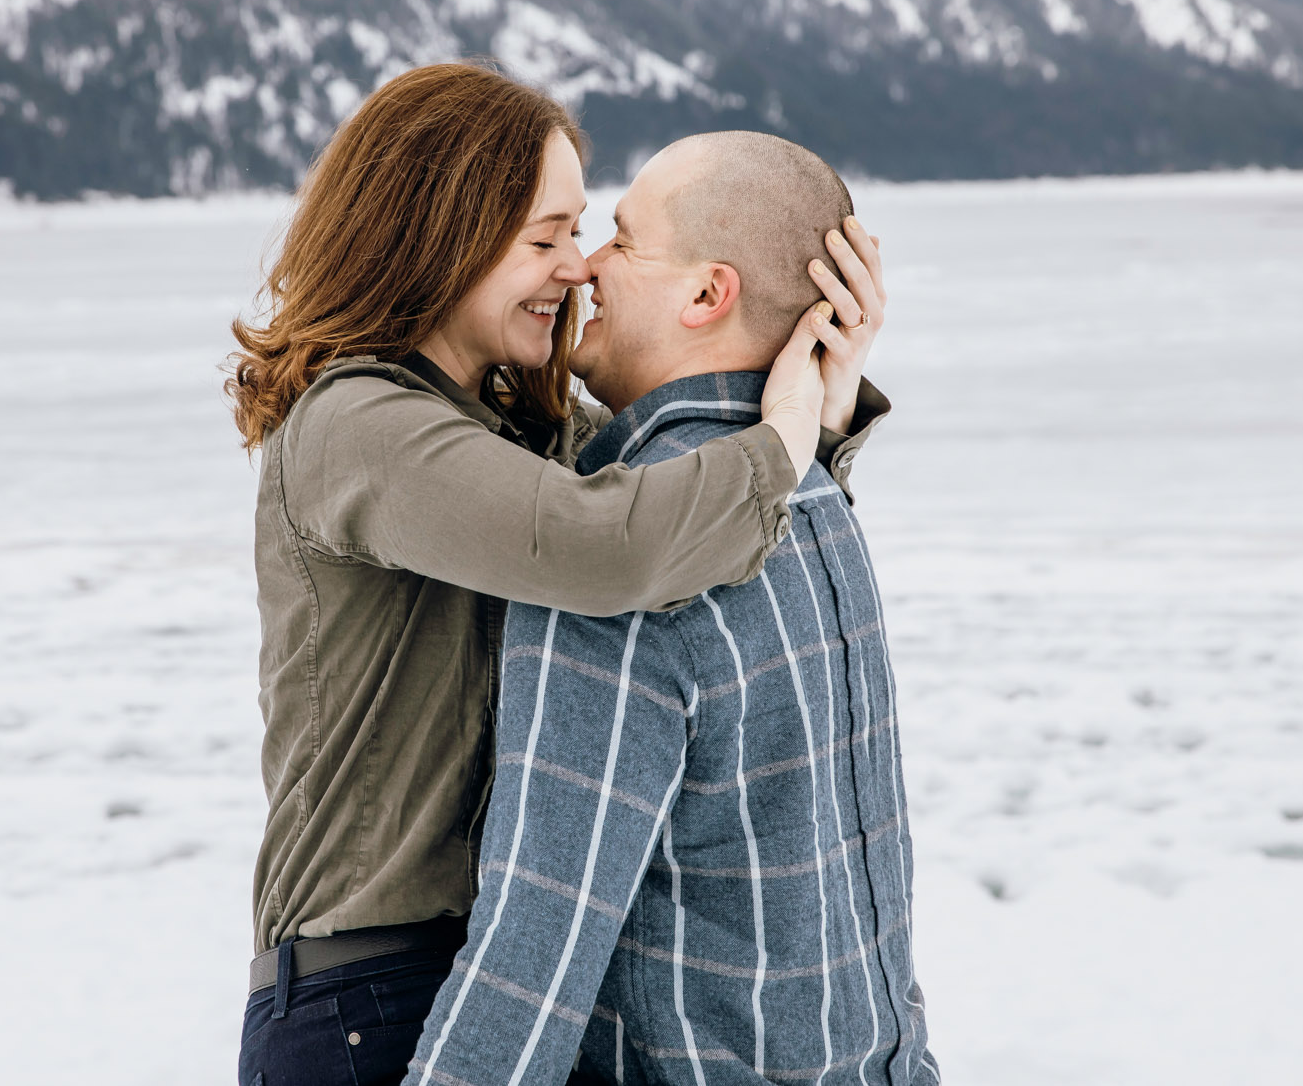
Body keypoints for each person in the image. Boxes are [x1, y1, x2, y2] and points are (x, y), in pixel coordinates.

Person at [227, 66, 891, 1086]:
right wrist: (782, 436)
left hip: (495, 987)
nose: (575, 267)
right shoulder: (359, 426)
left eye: (583, 232)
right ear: (436, 234)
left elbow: (674, 491)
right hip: (367, 995)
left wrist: (818, 399)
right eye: (543, 238)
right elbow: (611, 542)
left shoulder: (508, 428)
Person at [407, 133, 939, 1085]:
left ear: (706, 294)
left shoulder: (626, 558)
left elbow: (535, 949)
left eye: (622, 238)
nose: (588, 267)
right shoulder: (818, 503)